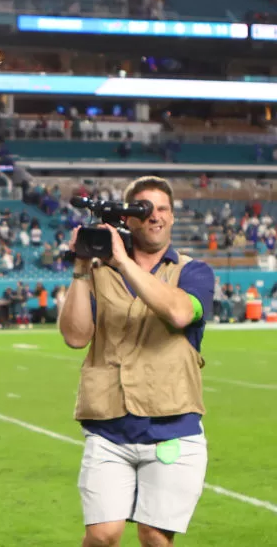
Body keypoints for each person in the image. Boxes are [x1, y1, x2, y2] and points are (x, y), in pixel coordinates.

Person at [58, 176, 215, 547]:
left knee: (155, 538)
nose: (154, 216)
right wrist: (81, 270)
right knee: (101, 535)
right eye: (144, 209)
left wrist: (125, 263)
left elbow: (179, 313)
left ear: (173, 218)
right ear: (127, 219)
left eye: (162, 209)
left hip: (172, 426)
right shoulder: (98, 273)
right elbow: (76, 336)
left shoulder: (194, 272)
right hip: (110, 426)